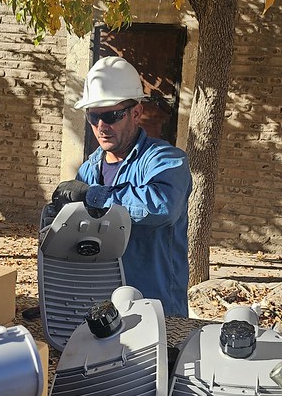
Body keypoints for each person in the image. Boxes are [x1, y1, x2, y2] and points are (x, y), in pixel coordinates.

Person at [52, 56, 192, 317]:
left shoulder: (166, 160)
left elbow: (161, 207)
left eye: (111, 115)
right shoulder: (88, 169)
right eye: (94, 117)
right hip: (101, 305)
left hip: (156, 307)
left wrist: (93, 197)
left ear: (136, 113)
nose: (101, 127)